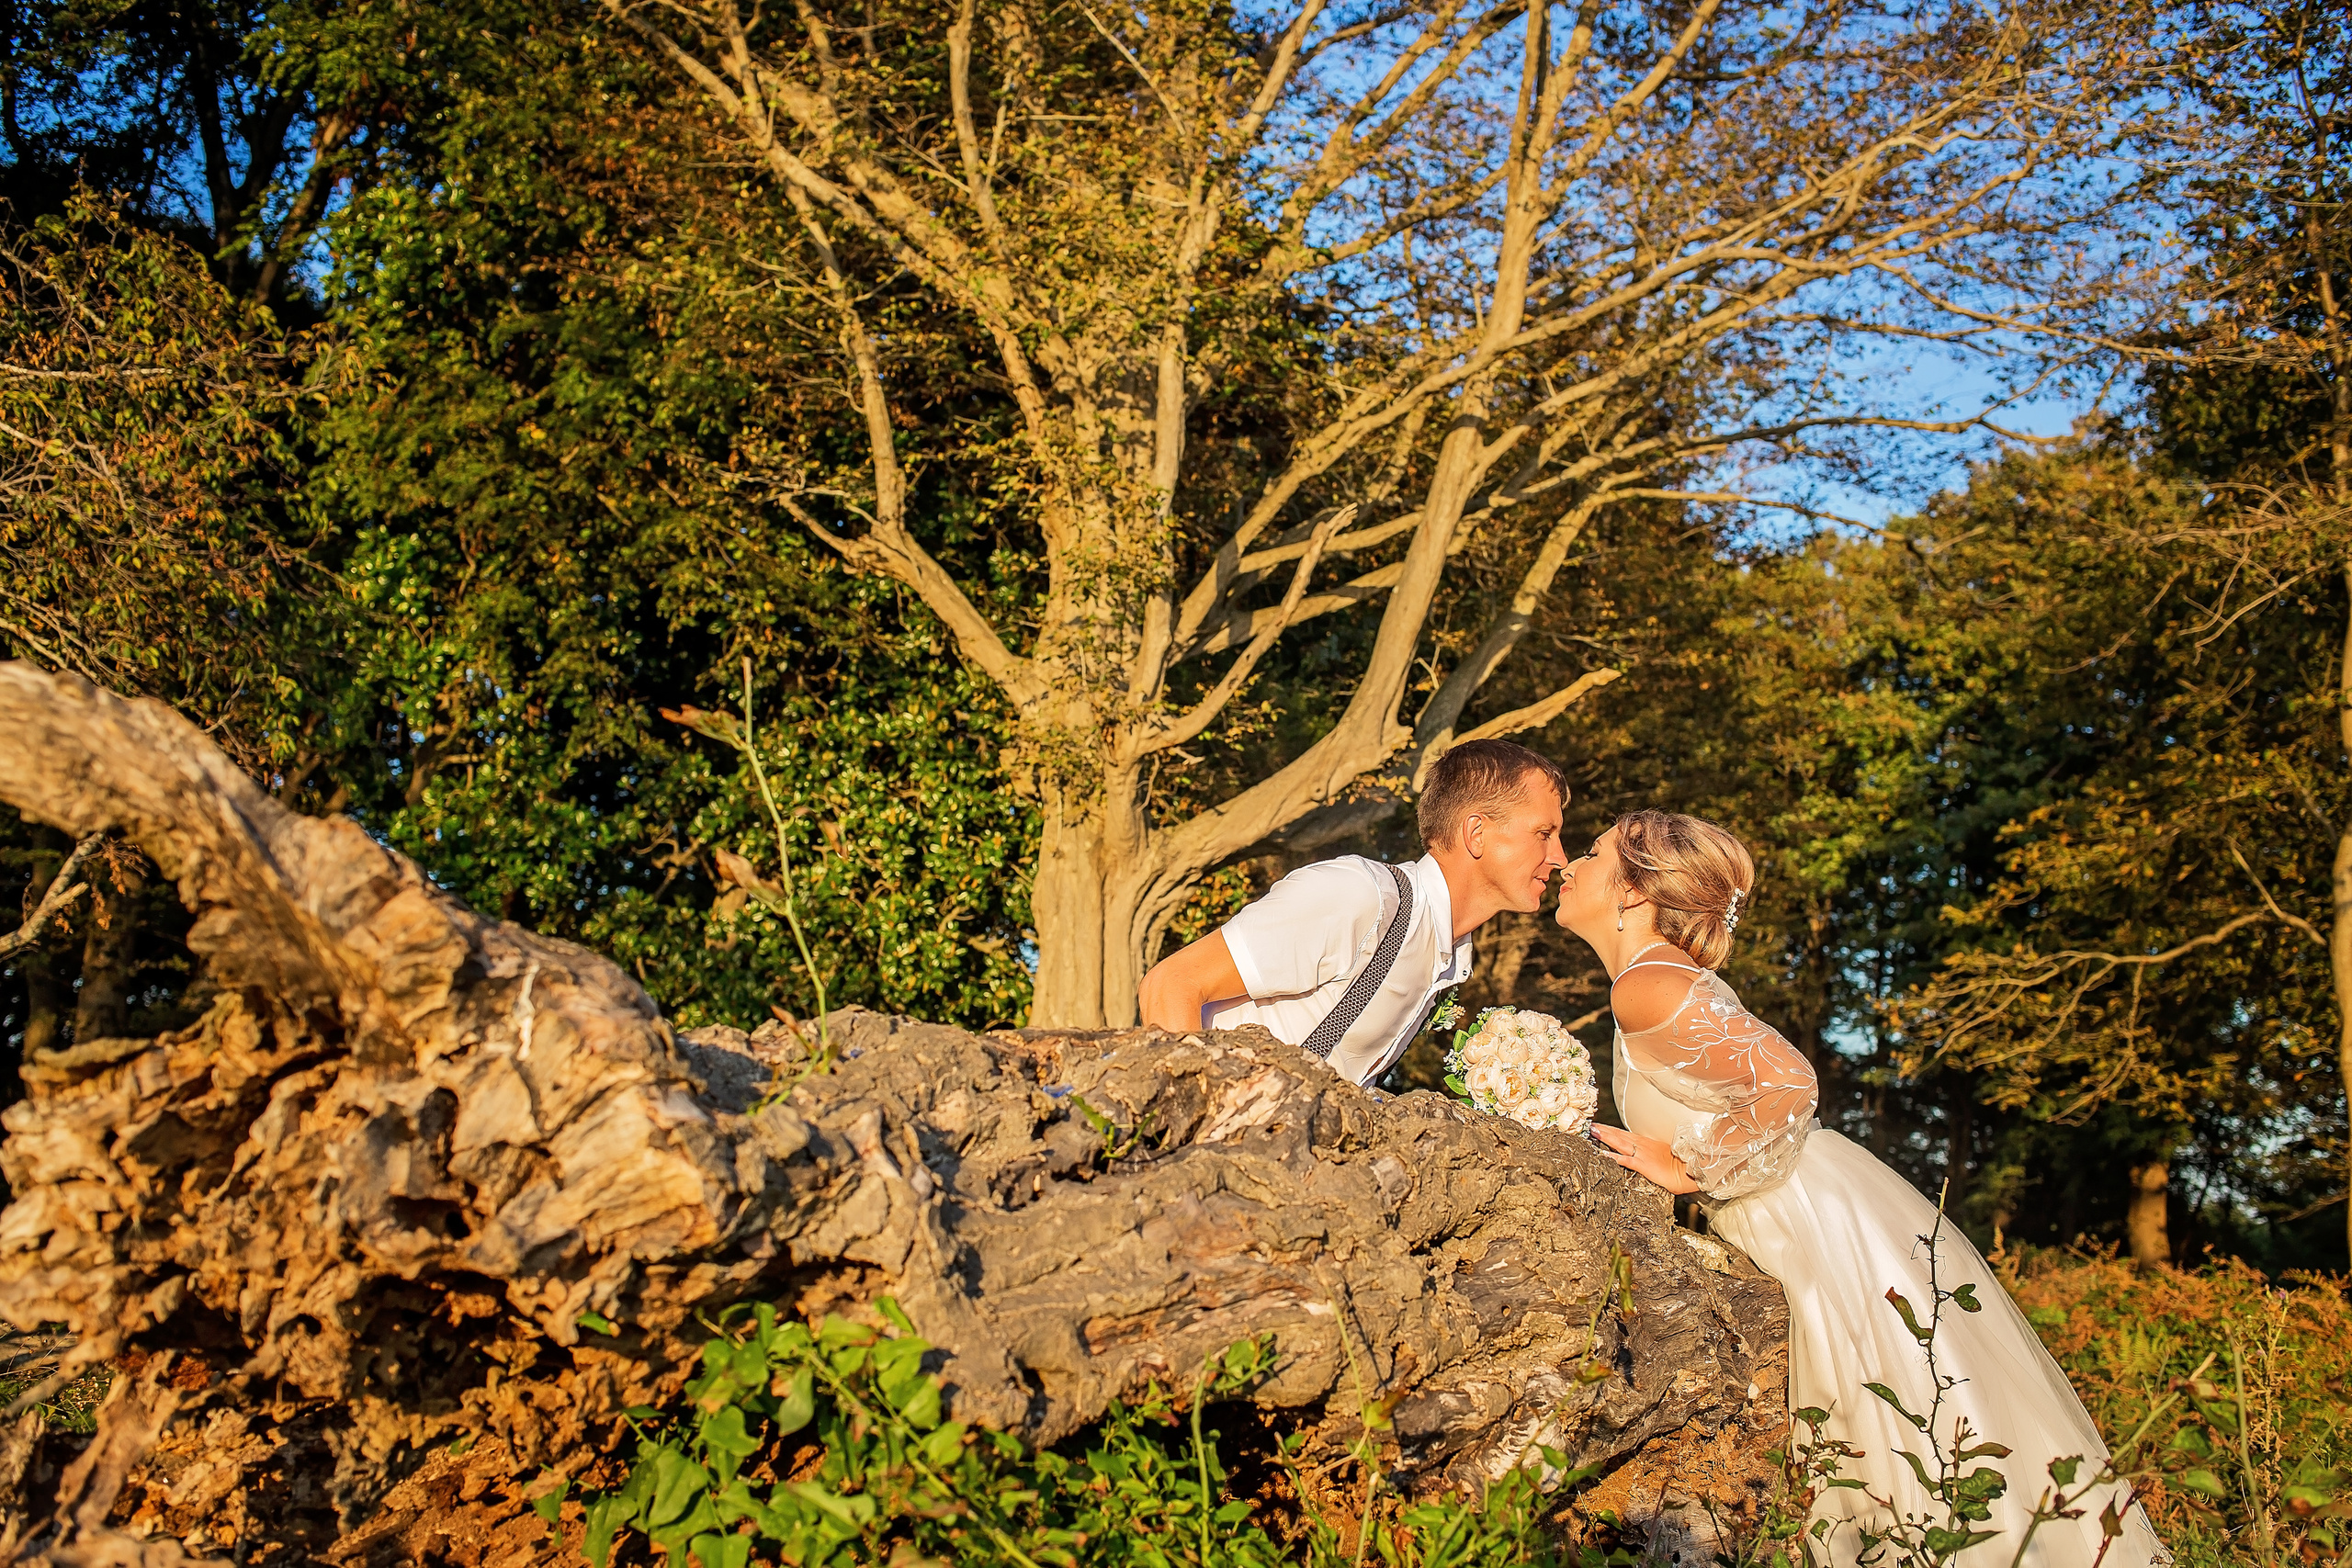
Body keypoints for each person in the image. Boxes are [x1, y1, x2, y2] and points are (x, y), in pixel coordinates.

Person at [1560, 810, 2167, 1568]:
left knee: (1889, 1430)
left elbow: (1790, 1081)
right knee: (1908, 1427)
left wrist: (1686, 1166)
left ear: (1633, 889)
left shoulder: (1646, 983)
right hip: (1802, 1197)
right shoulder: (1653, 977)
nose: (1567, 864)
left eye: (1589, 852)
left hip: (1805, 1218)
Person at [1137, 739, 1568, 1087]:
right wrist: (1196, 1129)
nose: (1560, 858)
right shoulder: (1362, 896)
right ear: (1477, 834)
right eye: (1543, 834)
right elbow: (1171, 984)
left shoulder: (1448, 955)